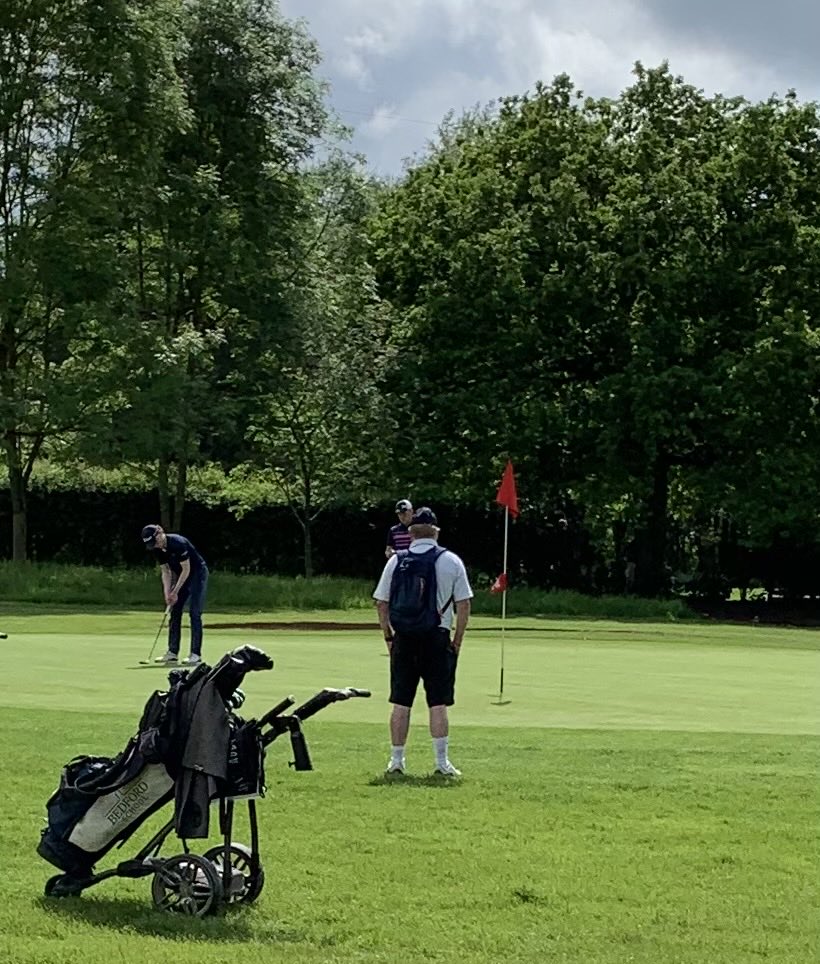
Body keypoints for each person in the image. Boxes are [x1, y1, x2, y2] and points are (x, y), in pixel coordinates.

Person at [373, 506, 473, 777]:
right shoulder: (451, 561)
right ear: (435, 531)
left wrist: (389, 638)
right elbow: (464, 605)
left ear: (411, 532)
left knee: (401, 702)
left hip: (404, 638)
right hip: (436, 637)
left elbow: (381, 603)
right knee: (437, 702)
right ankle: (441, 763)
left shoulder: (395, 560)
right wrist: (457, 642)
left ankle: (396, 761)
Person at [141, 524, 209, 665]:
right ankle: (172, 652)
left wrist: (175, 591)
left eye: (156, 541)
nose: (156, 546)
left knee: (194, 613)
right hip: (180, 575)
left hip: (197, 574)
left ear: (160, 533)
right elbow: (166, 571)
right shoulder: (158, 549)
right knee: (175, 611)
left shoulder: (178, 543)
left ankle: (195, 654)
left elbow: (186, 569)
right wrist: (167, 593)